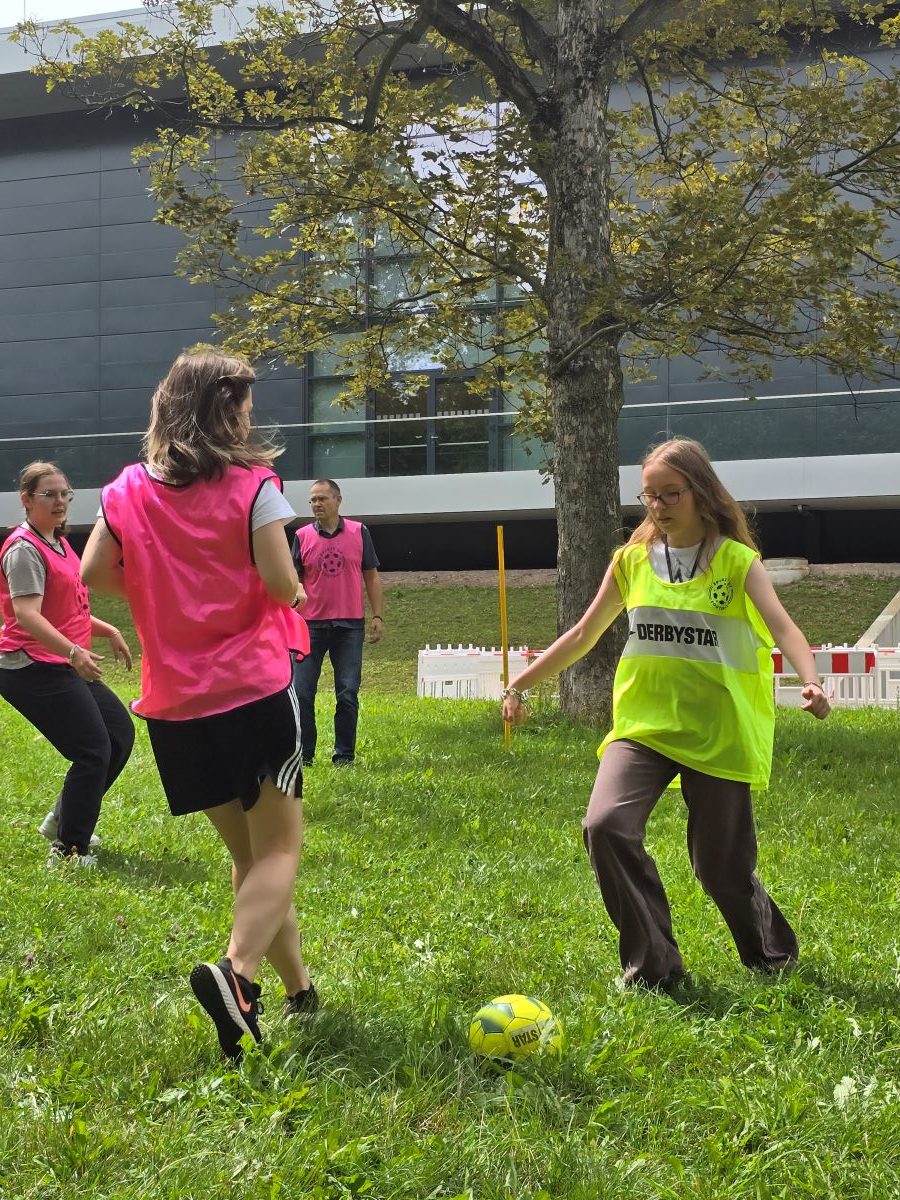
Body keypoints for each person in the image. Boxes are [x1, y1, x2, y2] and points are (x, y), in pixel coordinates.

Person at [501, 437, 830, 990]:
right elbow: (584, 634)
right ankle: (654, 970)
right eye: (648, 496)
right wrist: (520, 683)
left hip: (718, 729)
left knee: (720, 869)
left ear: (700, 492)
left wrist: (813, 681)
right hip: (644, 727)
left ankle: (773, 956)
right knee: (605, 826)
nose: (657, 506)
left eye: (669, 494)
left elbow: (783, 627)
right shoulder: (630, 561)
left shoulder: (735, 560)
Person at [81, 348, 317, 1060]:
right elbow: (280, 583)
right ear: (224, 411)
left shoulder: (125, 490)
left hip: (177, 705)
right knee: (280, 848)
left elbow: (94, 572)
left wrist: (164, 598)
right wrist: (301, 594)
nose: (249, 414)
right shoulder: (256, 485)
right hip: (254, 690)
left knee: (250, 860)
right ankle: (237, 976)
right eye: (242, 402)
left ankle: (300, 991)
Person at [0, 462, 135, 867]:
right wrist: (73, 653)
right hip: (28, 665)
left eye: (65, 494)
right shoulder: (24, 549)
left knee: (119, 735)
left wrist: (108, 629)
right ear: (26, 500)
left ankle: (65, 818)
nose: (60, 502)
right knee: (93, 748)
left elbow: (67, 612)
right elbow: (27, 615)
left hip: (61, 658)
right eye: (49, 494)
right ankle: (70, 849)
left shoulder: (58, 544)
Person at [291, 479, 384, 765]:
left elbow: (372, 575)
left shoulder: (359, 532)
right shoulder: (302, 535)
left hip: (349, 626)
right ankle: (305, 755)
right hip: (310, 627)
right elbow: (293, 578)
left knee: (347, 693)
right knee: (303, 694)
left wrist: (377, 615)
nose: (316, 504)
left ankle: (344, 756)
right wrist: (296, 593)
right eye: (312, 500)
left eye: (322, 499)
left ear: (338, 500)